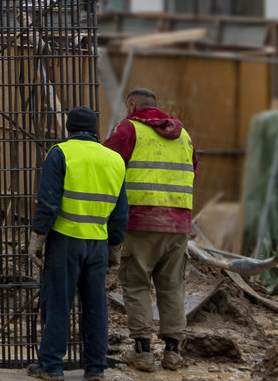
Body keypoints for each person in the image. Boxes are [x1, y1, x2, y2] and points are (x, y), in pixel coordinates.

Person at [27, 106, 129, 381]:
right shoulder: (115, 159)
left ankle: (51, 366)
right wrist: (115, 247)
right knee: (95, 307)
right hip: (97, 243)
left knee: (58, 302)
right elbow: (121, 213)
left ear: (68, 129)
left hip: (65, 240)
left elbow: (48, 202)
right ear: (96, 131)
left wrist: (38, 236)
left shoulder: (60, 153)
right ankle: (95, 368)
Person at [103, 87, 195, 372]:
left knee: (136, 283)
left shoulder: (129, 130)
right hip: (178, 224)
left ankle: (143, 352)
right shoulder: (184, 136)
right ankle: (173, 352)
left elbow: (105, 164)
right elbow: (194, 173)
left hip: (141, 221)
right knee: (172, 287)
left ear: (132, 106)